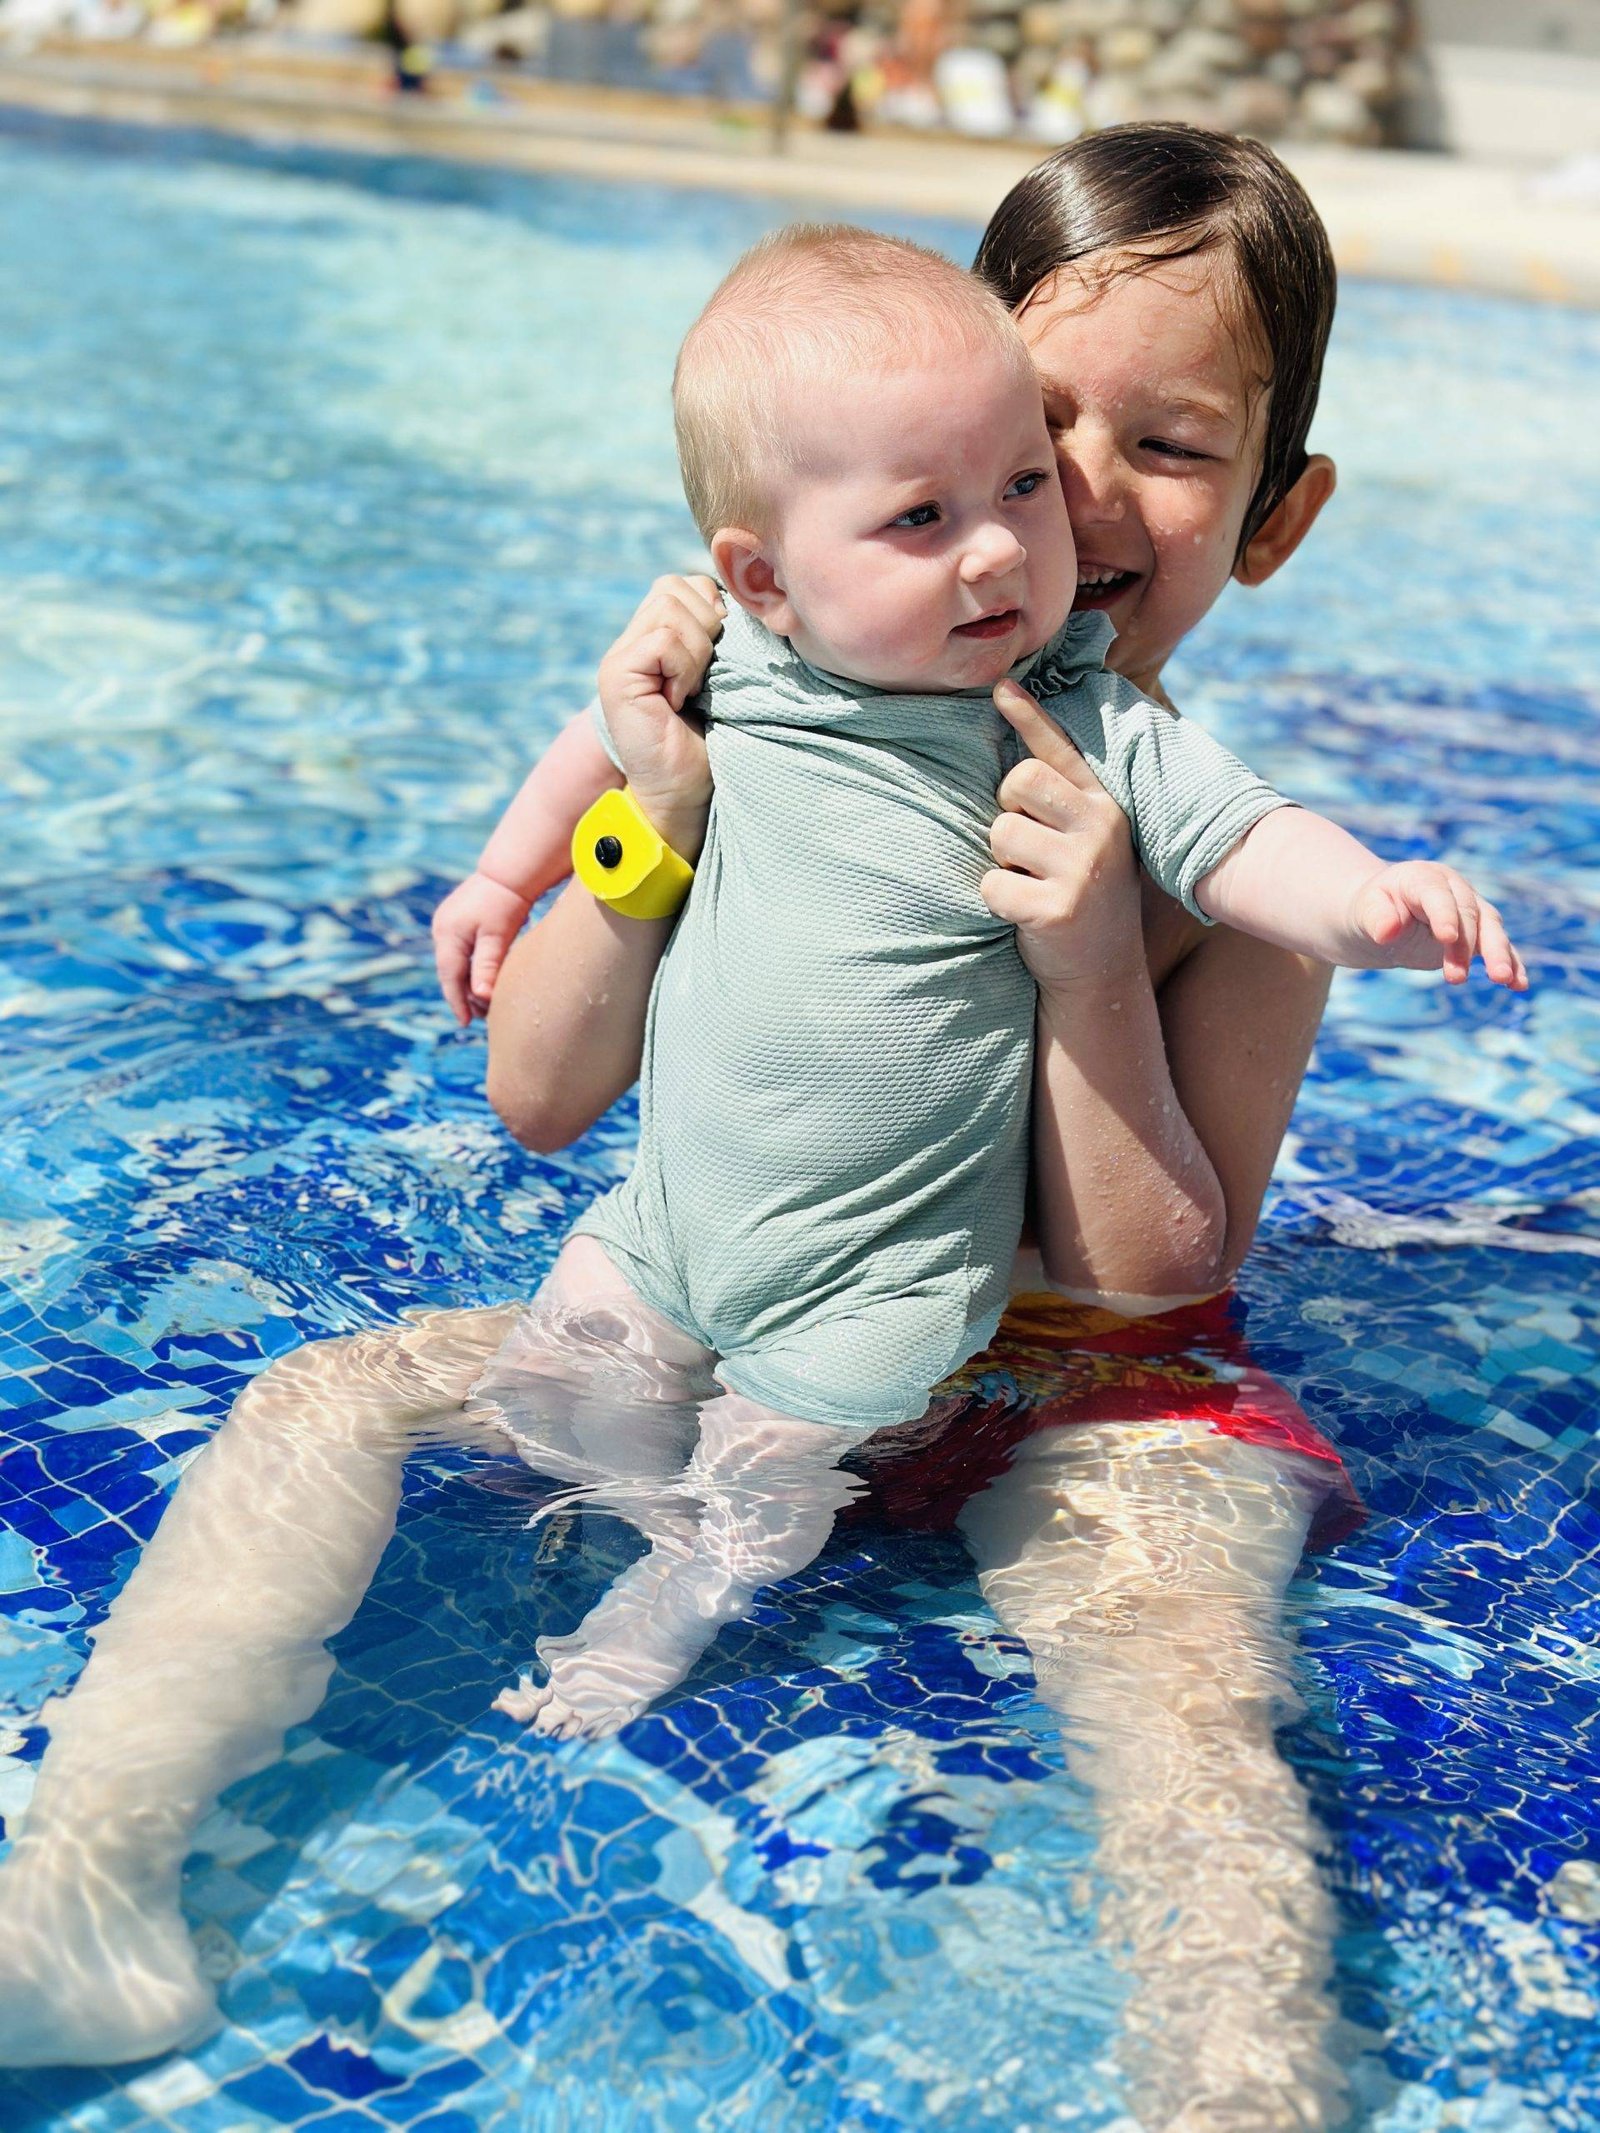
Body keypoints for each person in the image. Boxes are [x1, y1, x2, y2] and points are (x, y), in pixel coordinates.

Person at [0, 128, 1507, 2126]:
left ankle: (1228, 2096)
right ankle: (82, 1888)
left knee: (1183, 1708)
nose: (1061, 491)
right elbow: (538, 1097)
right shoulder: (781, 703)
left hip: (1087, 1393)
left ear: (1274, 513)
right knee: (320, 1399)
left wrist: (1080, 962)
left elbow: (1159, 1271)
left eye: (1171, 444)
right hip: (748, 1341)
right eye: (1026, 417)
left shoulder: (1224, 857)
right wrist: (649, 824)